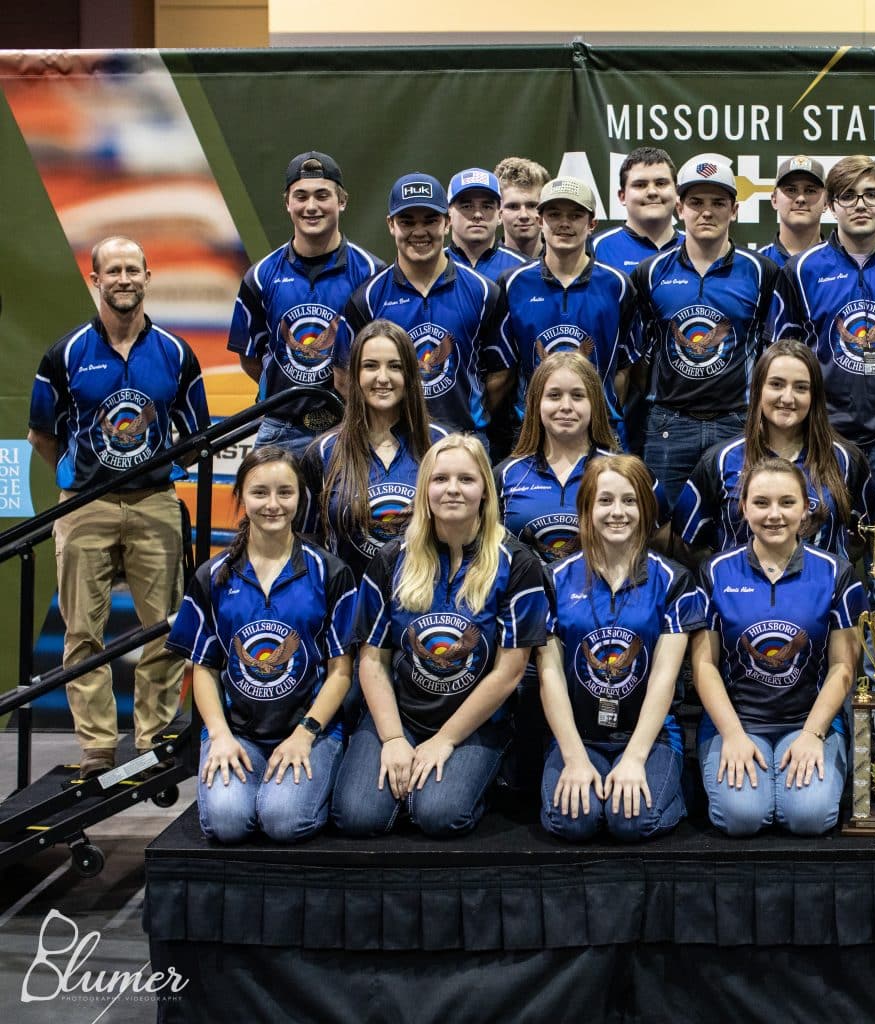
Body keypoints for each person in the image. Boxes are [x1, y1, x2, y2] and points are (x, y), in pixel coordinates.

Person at [29, 235, 211, 781]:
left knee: (164, 628)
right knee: (83, 630)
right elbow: (42, 434)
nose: (125, 279)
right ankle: (98, 749)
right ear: (96, 280)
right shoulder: (65, 354)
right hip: (85, 506)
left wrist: (162, 474)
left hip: (155, 503)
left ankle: (154, 741)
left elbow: (195, 434)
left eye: (134, 269)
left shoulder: (176, 353)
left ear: (148, 277)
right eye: (114, 271)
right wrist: (79, 481)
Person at [332, 434, 549, 837]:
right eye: (440, 479)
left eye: (466, 480)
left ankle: (476, 776)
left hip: (475, 722)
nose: (452, 489)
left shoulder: (518, 564)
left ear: (484, 490)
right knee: (358, 817)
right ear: (424, 490)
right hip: (403, 714)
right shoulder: (391, 558)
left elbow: (509, 672)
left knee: (439, 816)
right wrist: (394, 738)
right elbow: (373, 659)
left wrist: (445, 741)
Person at [168, 448, 356, 843]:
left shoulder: (330, 572)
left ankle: (306, 788)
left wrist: (305, 734)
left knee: (283, 820)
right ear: (241, 496)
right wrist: (218, 735)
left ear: (301, 498)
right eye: (260, 493)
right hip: (239, 733)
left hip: (310, 730)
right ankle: (260, 787)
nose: (273, 504)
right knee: (227, 822)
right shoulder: (213, 576)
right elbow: (204, 667)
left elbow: (341, 671)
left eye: (285, 493)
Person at [692, 459, 866, 836]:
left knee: (810, 817)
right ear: (743, 508)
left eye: (787, 503)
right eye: (761, 503)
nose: (774, 514)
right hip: (738, 723)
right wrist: (733, 735)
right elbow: (704, 665)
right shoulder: (714, 572)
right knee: (742, 818)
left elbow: (843, 668)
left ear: (806, 508)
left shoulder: (837, 573)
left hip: (808, 721)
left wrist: (812, 734)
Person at [539, 455, 700, 841]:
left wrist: (634, 758)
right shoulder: (553, 578)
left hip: (649, 735)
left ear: (645, 509)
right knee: (573, 822)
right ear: (587, 508)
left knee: (632, 822)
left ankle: (679, 788)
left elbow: (664, 677)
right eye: (605, 501)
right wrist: (574, 758)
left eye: (629, 501)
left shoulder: (674, 580)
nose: (618, 512)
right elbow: (549, 676)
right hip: (580, 735)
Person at [771, 155, 875, 490]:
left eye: (871, 195)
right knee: (823, 536)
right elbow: (783, 358)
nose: (861, 205)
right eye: (848, 195)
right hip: (824, 437)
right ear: (831, 205)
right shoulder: (801, 270)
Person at [631, 154, 778, 508]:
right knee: (661, 529)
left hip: (737, 422)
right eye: (696, 202)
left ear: (735, 210)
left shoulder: (763, 272)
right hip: (669, 423)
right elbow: (638, 360)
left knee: (739, 524)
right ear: (679, 207)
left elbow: (771, 353)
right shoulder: (649, 273)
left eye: (718, 203)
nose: (706, 212)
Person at [228, 151, 384, 452]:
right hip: (280, 429)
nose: (311, 206)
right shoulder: (260, 276)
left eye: (322, 195)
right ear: (288, 203)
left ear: (342, 201)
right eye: (301, 196)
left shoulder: (373, 273)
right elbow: (250, 358)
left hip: (350, 428)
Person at [343, 173, 510, 440]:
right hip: (392, 442)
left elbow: (500, 374)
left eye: (430, 220)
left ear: (445, 223)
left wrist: (467, 418)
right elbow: (346, 377)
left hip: (464, 439)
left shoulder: (484, 293)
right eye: (407, 221)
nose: (419, 232)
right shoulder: (367, 298)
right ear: (391, 224)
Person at [673, 339, 871, 561]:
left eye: (801, 387)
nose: (787, 398)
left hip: (822, 594)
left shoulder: (846, 459)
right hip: (740, 593)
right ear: (757, 390)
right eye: (776, 384)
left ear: (814, 396)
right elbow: (686, 542)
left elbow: (864, 537)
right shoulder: (720, 460)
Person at [305, 318, 448, 582]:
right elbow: (309, 545)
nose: (382, 378)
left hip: (422, 608)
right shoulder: (323, 452)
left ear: (410, 375)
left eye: (395, 366)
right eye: (370, 366)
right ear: (355, 375)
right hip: (350, 609)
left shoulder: (442, 446)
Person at [495, 177, 638, 439]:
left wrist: (600, 409)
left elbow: (625, 367)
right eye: (554, 214)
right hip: (531, 428)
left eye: (575, 215)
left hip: (601, 428)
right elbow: (504, 368)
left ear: (592, 224)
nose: (564, 223)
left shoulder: (617, 285)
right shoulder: (512, 283)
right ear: (540, 221)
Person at [496, 352, 624, 563]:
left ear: (595, 404)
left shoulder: (622, 471)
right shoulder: (506, 474)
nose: (566, 406)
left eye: (578, 396)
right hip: (526, 595)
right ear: (536, 403)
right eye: (554, 395)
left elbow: (654, 543)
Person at [593, 147, 680, 273]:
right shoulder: (596, 248)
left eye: (661, 183)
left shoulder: (695, 246)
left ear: (677, 192)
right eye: (640, 185)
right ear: (622, 196)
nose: (652, 192)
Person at [446, 167, 527, 281]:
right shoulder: (431, 265)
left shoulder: (524, 270)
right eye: (467, 206)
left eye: (487, 207)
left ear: (500, 215)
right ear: (449, 214)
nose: (478, 214)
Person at [761, 156, 827, 267]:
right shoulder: (756, 266)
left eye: (810, 190)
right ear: (774, 200)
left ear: (826, 202)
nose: (800, 199)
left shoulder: (843, 265)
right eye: (791, 190)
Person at [495, 156, 550, 262]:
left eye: (532, 206)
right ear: (498, 212)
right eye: (513, 207)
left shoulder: (566, 264)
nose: (523, 215)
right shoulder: (482, 270)